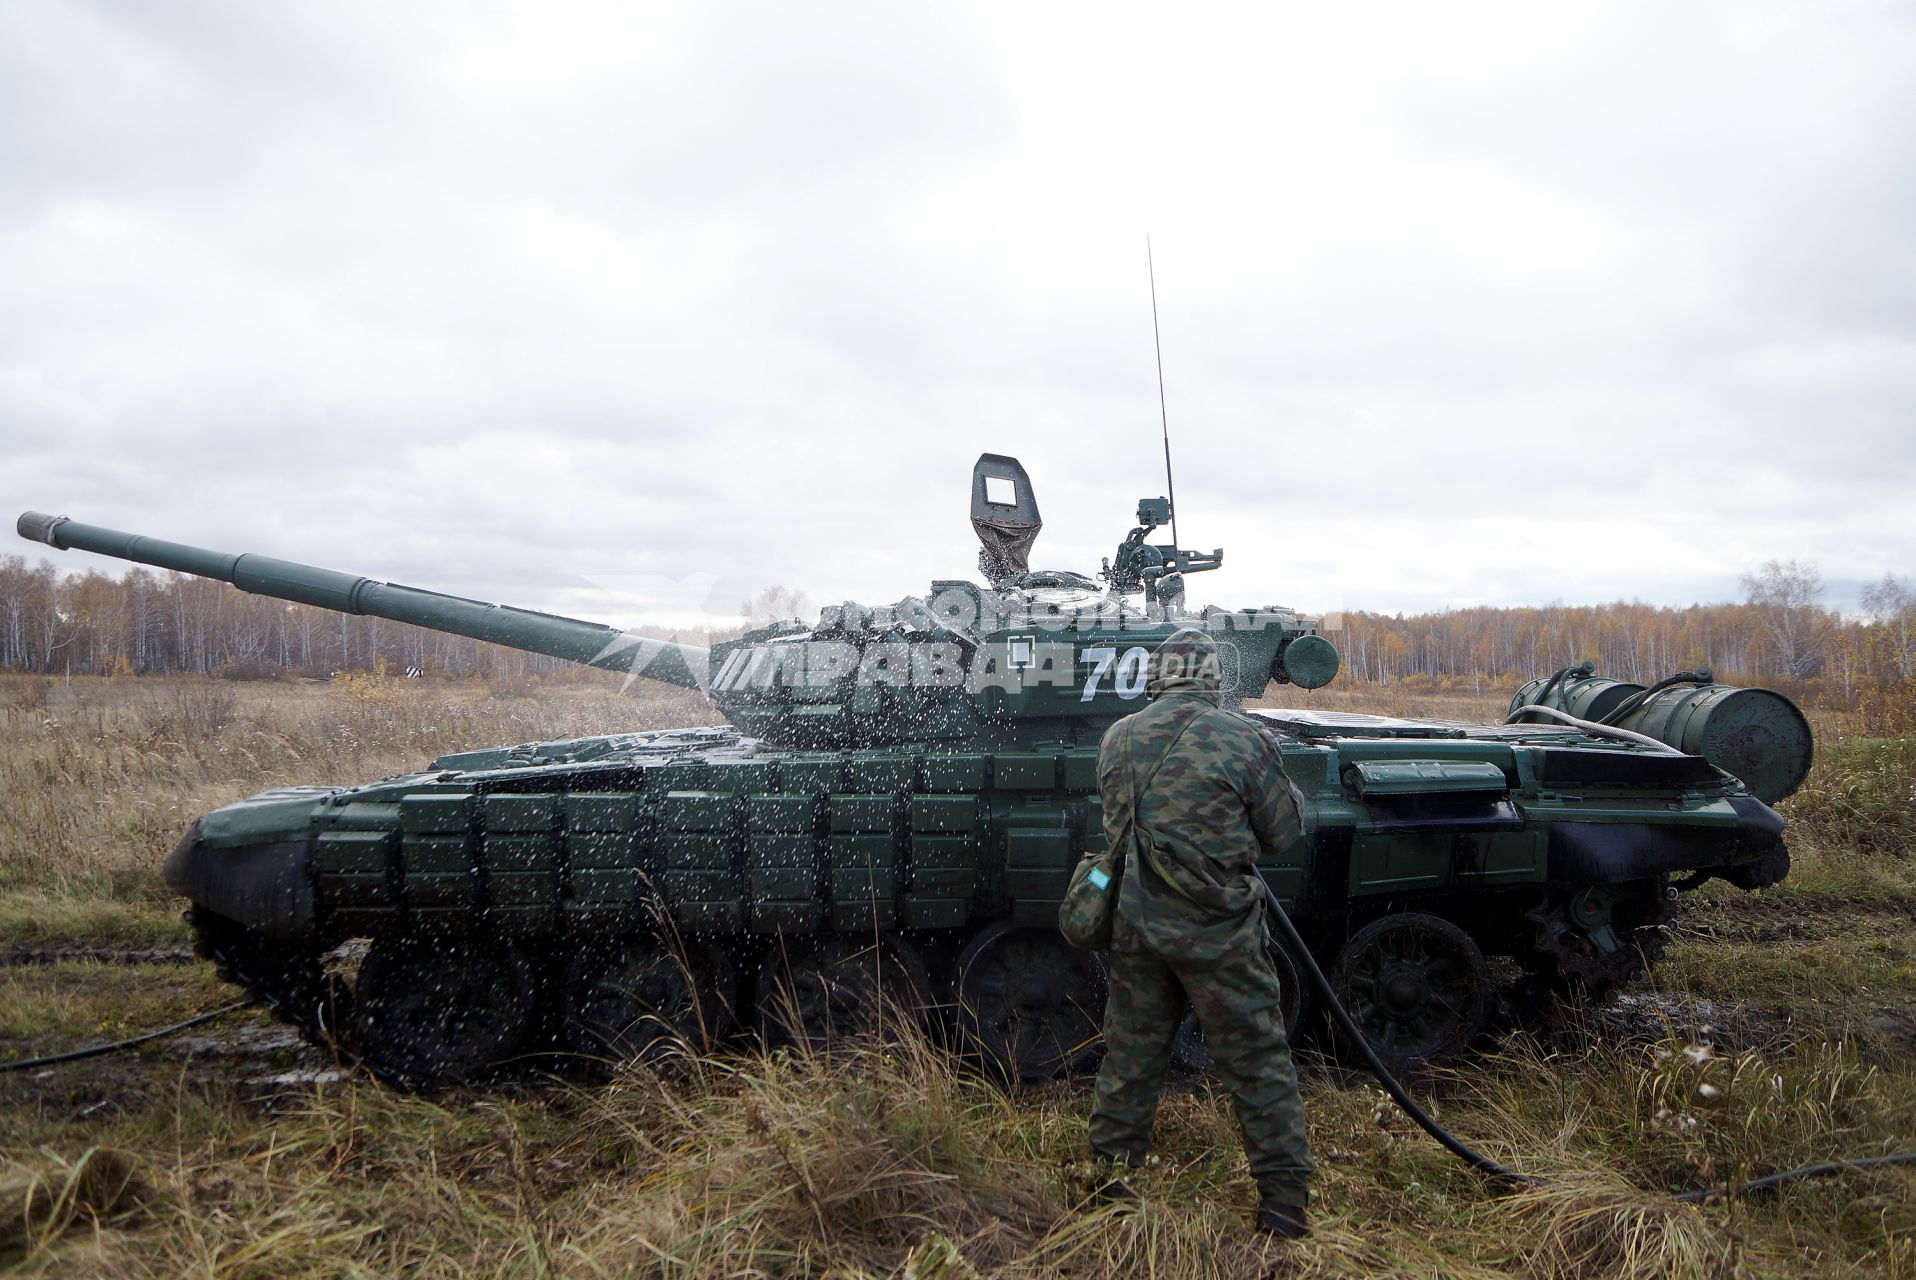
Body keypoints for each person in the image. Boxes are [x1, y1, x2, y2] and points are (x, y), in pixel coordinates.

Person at [1087, 626, 1316, 1238]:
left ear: (1157, 676)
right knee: (1258, 1064)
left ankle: (1111, 1191)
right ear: (1213, 679)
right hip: (1220, 934)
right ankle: (1283, 1208)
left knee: (1131, 1059)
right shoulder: (1243, 739)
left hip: (1137, 926)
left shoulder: (1118, 738)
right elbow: (1282, 833)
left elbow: (1119, 824)